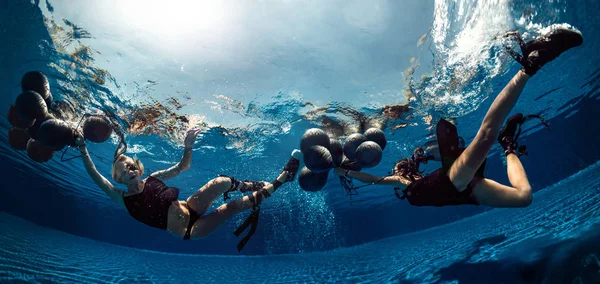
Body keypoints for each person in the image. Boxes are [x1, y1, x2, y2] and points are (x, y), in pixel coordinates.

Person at [334, 27, 583, 208]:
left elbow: (374, 180)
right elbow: (376, 178)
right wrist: (345, 173)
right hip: (465, 193)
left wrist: (346, 173)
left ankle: (530, 64)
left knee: (485, 136)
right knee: (524, 197)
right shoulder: (409, 179)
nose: (396, 168)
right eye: (397, 166)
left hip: (453, 181)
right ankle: (508, 144)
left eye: (397, 167)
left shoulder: (403, 180)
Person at [75, 128, 300, 250]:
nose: (130, 169)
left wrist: (188, 147)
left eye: (132, 165)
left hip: (189, 206)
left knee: (220, 182)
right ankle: (281, 180)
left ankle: (255, 186)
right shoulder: (121, 198)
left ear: (139, 169)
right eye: (124, 170)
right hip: (191, 231)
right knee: (231, 207)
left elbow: (183, 166)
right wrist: (83, 149)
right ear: (118, 178)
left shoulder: (154, 178)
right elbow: (95, 176)